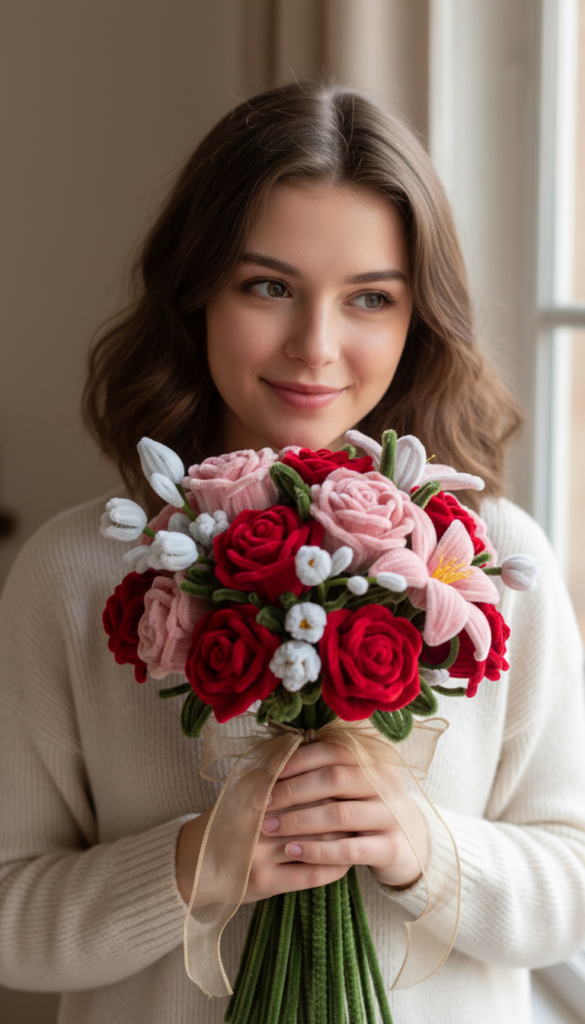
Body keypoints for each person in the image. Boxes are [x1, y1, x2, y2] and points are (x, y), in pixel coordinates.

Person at [0, 80, 584, 1024]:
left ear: (417, 317)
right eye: (267, 286)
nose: (316, 346)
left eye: (369, 298)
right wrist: (192, 866)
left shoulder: (491, 560)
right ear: (195, 292)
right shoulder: (72, 574)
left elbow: (574, 884)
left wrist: (426, 848)